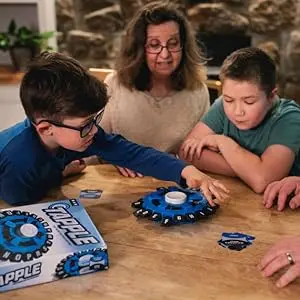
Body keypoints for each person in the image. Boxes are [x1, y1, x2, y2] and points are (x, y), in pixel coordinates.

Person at [0, 51, 229, 206]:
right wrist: (59, 173)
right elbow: (22, 204)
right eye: (85, 125)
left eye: (94, 119)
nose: (93, 130)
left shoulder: (78, 133)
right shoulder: (19, 160)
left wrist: (188, 172)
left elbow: (133, 154)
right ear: (46, 129)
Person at [100, 2, 209, 178]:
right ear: (139, 49)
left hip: (175, 187)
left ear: (184, 46)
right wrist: (116, 159)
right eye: (154, 45)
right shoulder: (114, 85)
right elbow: (93, 144)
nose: (165, 54)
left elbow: (202, 152)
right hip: (121, 183)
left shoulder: (198, 92)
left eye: (173, 44)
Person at [180, 47, 300, 194]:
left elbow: (263, 181)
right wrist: (249, 171)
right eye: (229, 100)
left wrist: (222, 142)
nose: (237, 111)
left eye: (249, 102)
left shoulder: (289, 118)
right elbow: (187, 153)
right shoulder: (222, 106)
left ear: (271, 96)